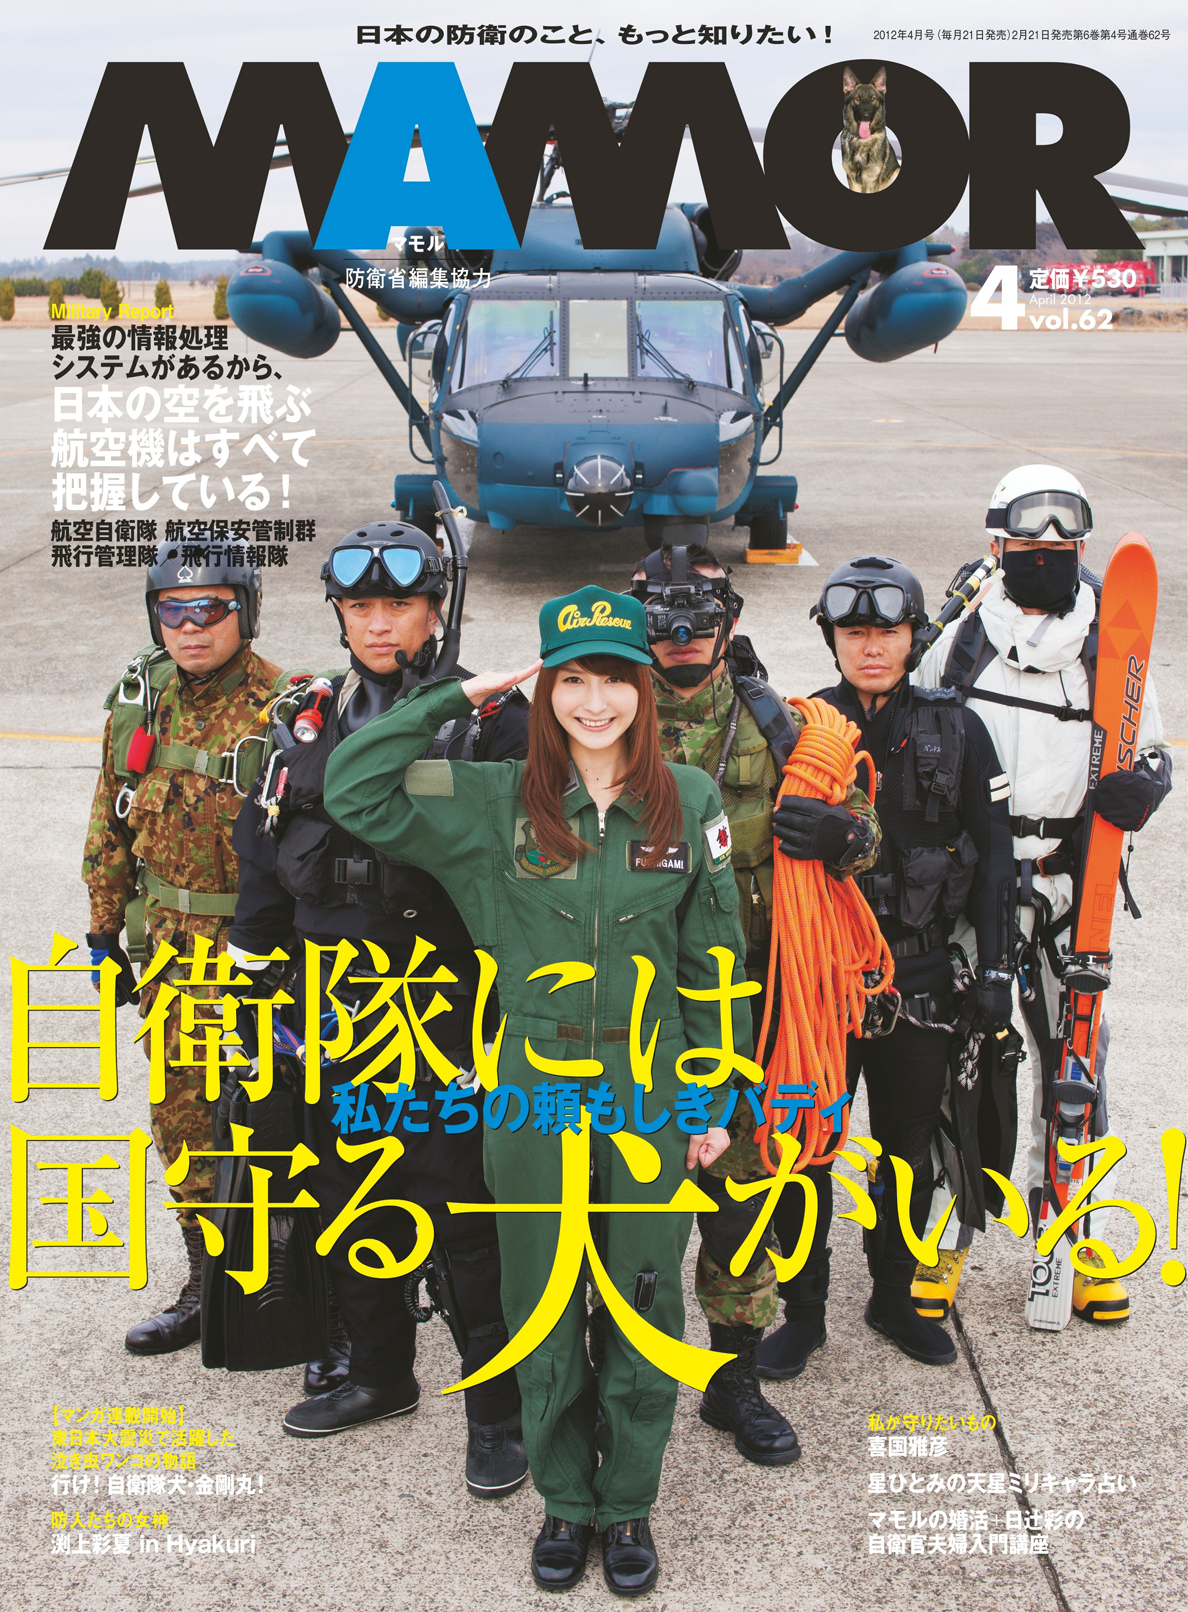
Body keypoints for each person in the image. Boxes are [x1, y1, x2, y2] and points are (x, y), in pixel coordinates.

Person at [322, 583, 753, 1598]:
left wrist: (712, 1095)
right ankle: (566, 1501)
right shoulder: (492, 801)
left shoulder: (688, 799)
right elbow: (354, 788)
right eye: (572, 681)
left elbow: (714, 960)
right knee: (543, 1297)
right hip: (534, 1088)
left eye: (615, 679)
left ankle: (628, 1500)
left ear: (644, 689)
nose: (595, 702)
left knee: (644, 1296)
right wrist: (457, 696)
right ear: (545, 689)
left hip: (648, 1086)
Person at [227, 521, 531, 1499]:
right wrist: (250, 1005)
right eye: (360, 605)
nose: (379, 623)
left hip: (446, 1021)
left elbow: (535, 877)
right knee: (347, 1201)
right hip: (329, 1016)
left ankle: (496, 1412)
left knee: (465, 1221)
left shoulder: (491, 722)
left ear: (436, 610)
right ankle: (379, 1374)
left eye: (400, 603)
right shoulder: (303, 723)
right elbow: (261, 869)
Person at [629, 541, 879, 1466]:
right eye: (661, 616)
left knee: (740, 1207)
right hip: (635, 1018)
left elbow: (867, 835)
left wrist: (846, 834)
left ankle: (733, 1385)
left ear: (730, 620)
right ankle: (626, 1383)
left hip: (754, 1017)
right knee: (626, 1212)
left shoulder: (787, 727)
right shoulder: (599, 716)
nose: (681, 634)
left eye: (700, 615)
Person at [914, 467, 1172, 1323]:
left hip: (1069, 885)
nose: (1048, 554)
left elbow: (1151, 747)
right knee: (960, 1060)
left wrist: (1144, 789)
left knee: (1077, 1069)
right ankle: (945, 1233)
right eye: (1029, 542)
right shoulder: (962, 639)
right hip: (976, 885)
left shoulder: (1109, 643)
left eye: (1066, 543)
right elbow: (916, 729)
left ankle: (1076, 1237)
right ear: (998, 545)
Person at [757, 555, 1016, 1374]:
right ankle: (802, 1312)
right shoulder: (794, 730)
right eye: (855, 633)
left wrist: (998, 971)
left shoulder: (960, 731)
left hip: (919, 976)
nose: (872, 648)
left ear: (914, 638)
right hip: (817, 978)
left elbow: (996, 859)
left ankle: (894, 1296)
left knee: (907, 1145)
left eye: (888, 632)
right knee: (804, 1146)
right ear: (832, 640)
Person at [83, 535, 285, 1356]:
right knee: (184, 1121)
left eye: (210, 610)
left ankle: (305, 1293)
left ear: (246, 613)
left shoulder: (289, 708)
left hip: (264, 954)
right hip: (170, 954)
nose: (191, 627)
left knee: (284, 1123)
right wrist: (103, 931)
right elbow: (109, 818)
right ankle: (206, 1282)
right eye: (173, 611)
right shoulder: (144, 702)